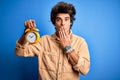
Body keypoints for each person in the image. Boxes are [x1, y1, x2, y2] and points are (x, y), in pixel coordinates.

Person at [15, 1, 90, 80]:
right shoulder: (44, 41)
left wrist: (68, 48)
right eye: (59, 20)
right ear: (54, 23)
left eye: (66, 19)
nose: (63, 23)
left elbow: (84, 70)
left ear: (71, 22)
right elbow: (19, 51)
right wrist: (26, 32)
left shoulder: (80, 42)